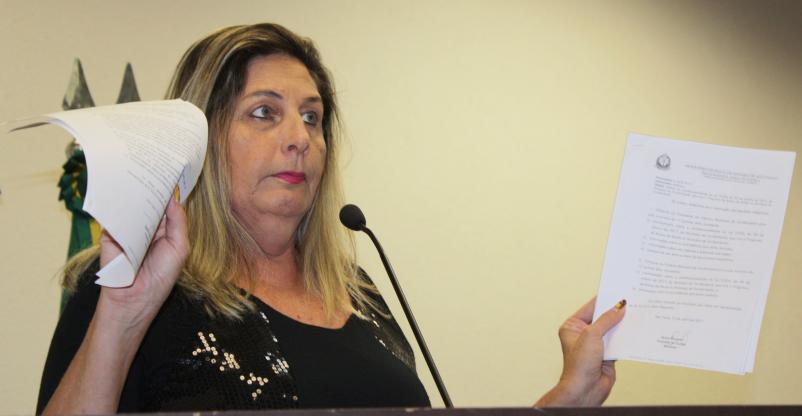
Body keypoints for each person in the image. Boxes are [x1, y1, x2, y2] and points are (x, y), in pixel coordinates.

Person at [37, 23, 626, 414]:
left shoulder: (359, 295)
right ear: (198, 140)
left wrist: (566, 400)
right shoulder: (133, 287)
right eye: (264, 113)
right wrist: (123, 315)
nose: (300, 138)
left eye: (312, 117)